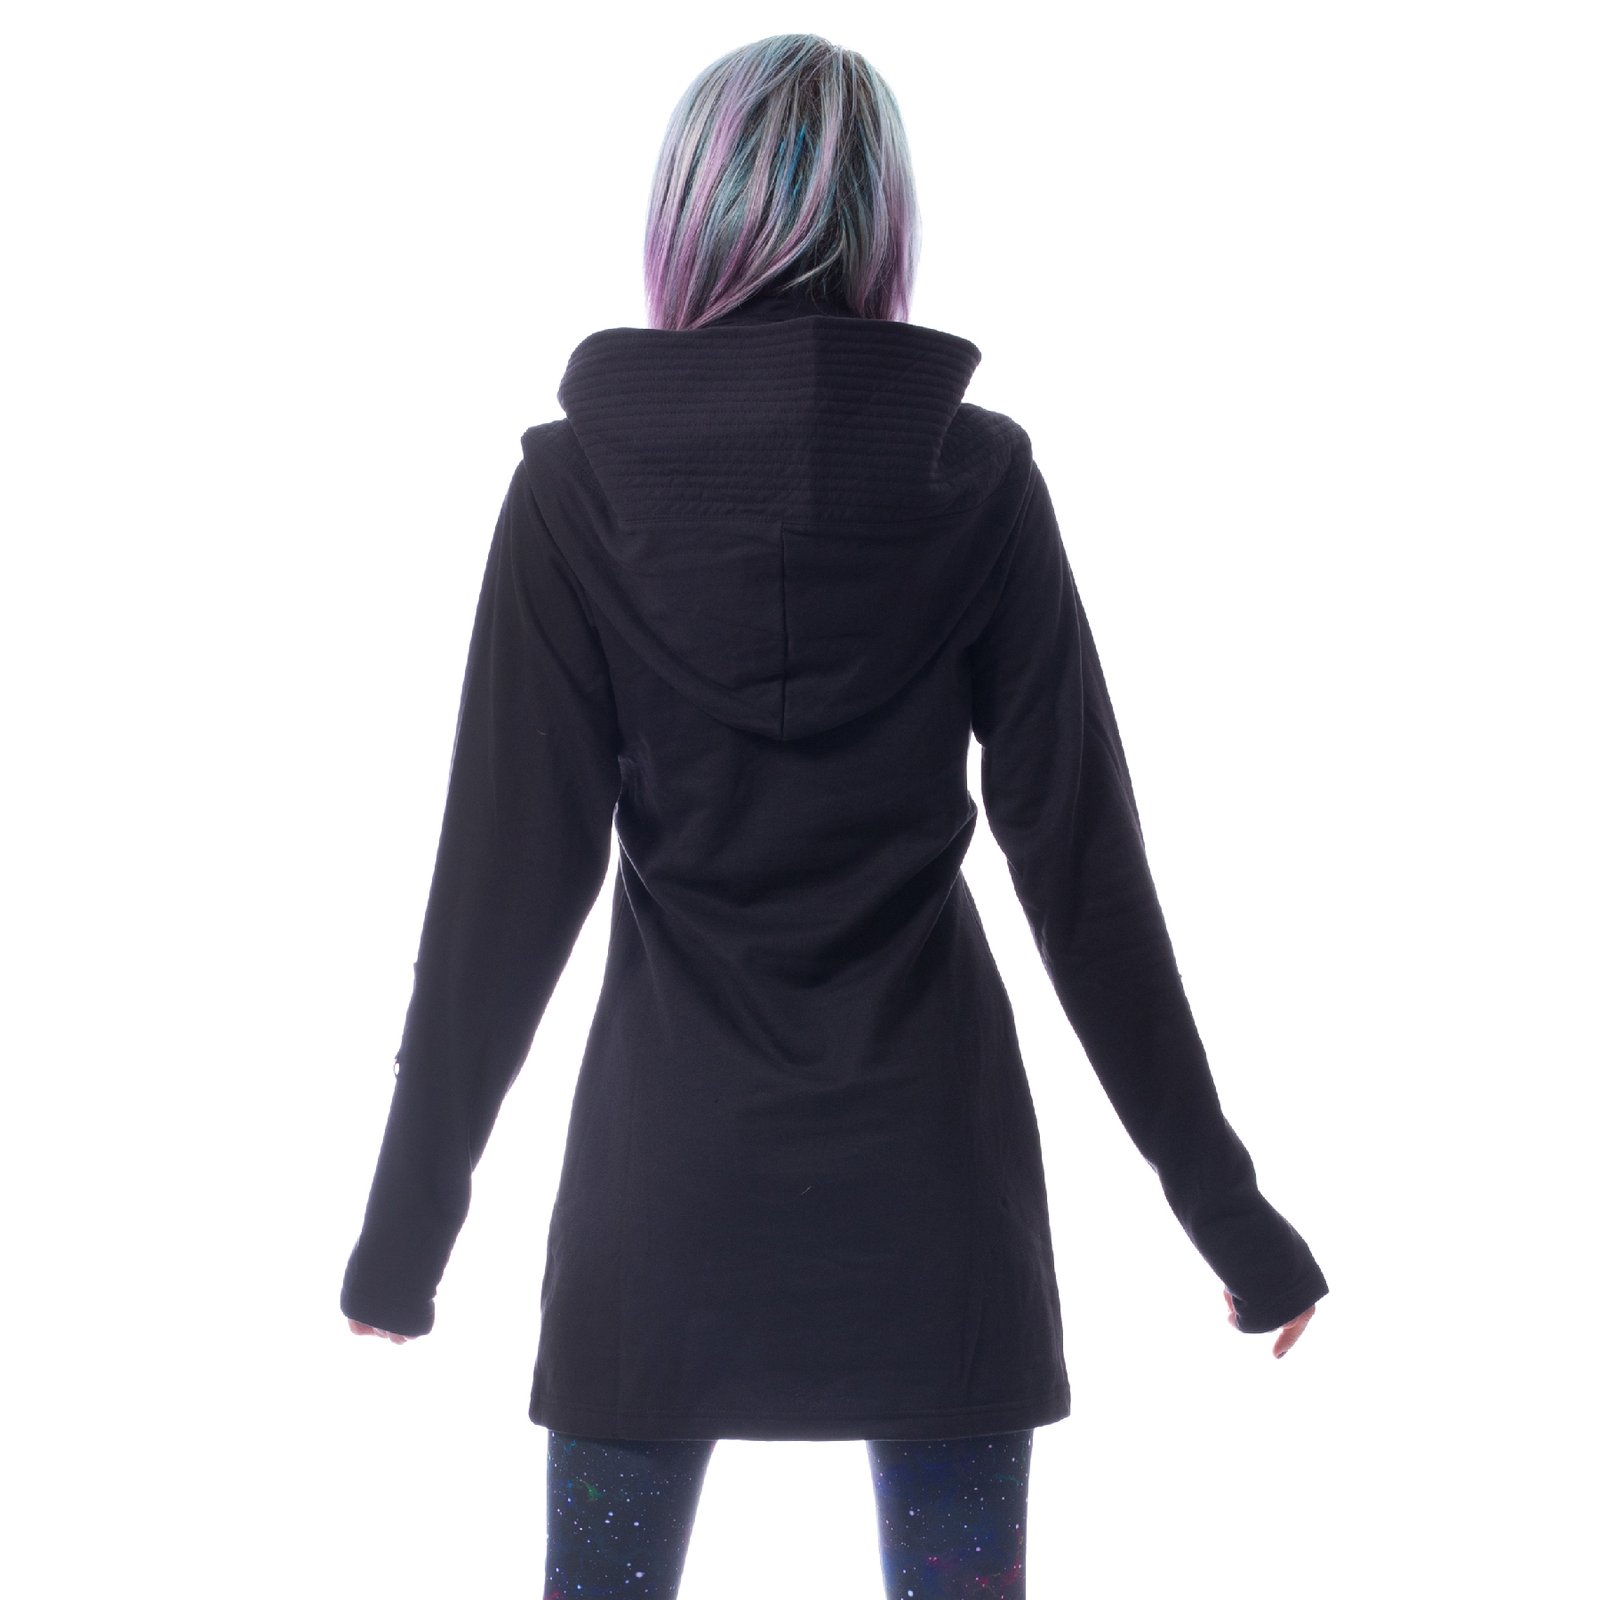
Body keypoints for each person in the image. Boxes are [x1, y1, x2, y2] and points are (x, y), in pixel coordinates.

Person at [341, 31, 1327, 1599]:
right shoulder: (979, 481)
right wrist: (1232, 1216)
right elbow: (1086, 878)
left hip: (662, 1192)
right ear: (885, 222)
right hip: (936, 1186)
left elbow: (498, 897)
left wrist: (405, 1236)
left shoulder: (575, 494)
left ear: (689, 210)